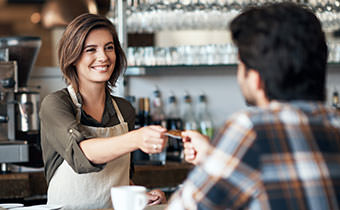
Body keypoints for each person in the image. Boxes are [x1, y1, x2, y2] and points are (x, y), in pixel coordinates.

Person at [167, 2, 340, 210]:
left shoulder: (251, 129)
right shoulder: (334, 123)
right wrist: (213, 156)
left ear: (256, 78)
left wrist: (216, 158)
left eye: (240, 65)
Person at [39, 13, 167, 210]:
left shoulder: (124, 110)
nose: (103, 57)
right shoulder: (55, 104)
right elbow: (81, 154)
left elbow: (119, 179)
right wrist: (136, 138)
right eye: (91, 49)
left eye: (109, 47)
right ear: (73, 57)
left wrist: (143, 195)